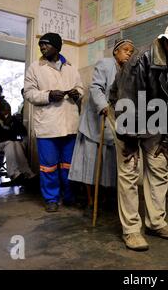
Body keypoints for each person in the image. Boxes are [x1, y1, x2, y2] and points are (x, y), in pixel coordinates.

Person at [109, 17, 168, 251]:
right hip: (126, 114)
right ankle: (131, 230)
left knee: (159, 166)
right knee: (129, 171)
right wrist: (130, 141)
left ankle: (156, 223)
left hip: (157, 119)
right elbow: (126, 102)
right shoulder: (139, 60)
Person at [69, 39, 135, 216]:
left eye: (131, 51)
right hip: (95, 121)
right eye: (125, 50)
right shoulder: (105, 64)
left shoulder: (129, 71)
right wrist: (103, 105)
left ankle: (104, 198)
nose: (129, 53)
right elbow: (96, 87)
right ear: (115, 52)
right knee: (90, 163)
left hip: (113, 122)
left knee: (108, 163)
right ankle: (91, 201)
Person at [24, 33, 84, 212]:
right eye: (41, 45)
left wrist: (77, 93)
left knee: (68, 166)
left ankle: (69, 196)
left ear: (57, 47)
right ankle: (51, 198)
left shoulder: (71, 67)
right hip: (48, 126)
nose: (42, 47)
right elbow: (28, 93)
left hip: (69, 125)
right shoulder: (35, 67)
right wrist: (48, 95)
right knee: (48, 167)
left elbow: (80, 88)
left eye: (46, 44)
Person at [0, 100, 35, 186]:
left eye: (9, 112)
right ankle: (14, 173)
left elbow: (23, 131)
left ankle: (26, 171)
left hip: (10, 143)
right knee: (11, 143)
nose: (7, 114)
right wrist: (8, 127)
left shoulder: (11, 119)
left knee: (18, 144)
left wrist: (14, 123)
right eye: (5, 112)